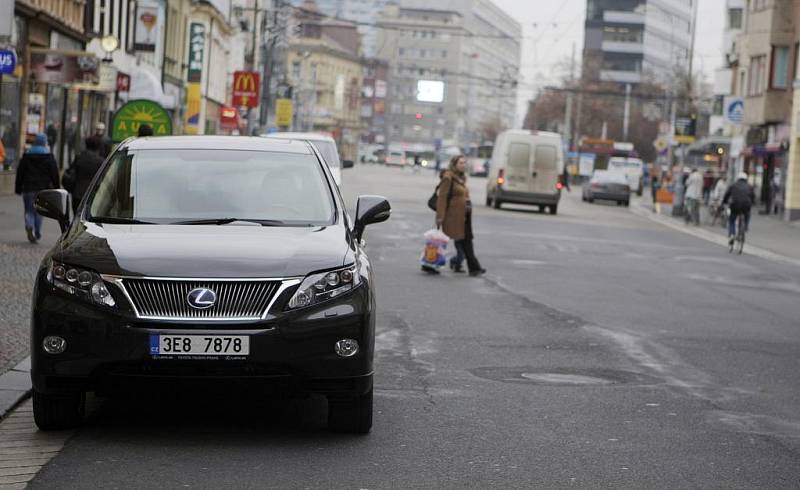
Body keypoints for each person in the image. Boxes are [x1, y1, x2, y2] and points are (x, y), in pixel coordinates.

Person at [436, 155, 486, 276]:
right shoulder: (448, 177)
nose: (463, 165)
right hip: (453, 216)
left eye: (465, 163)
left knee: (466, 240)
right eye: (461, 163)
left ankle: (469, 266)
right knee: (458, 241)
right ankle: (432, 262)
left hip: (464, 216)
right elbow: (442, 197)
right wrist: (440, 216)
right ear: (454, 164)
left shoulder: (461, 178)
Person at [14, 133, 59, 243]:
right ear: (45, 143)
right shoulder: (49, 157)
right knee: (39, 212)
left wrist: (18, 188)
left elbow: (20, 173)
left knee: (29, 210)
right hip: (43, 190)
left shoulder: (26, 156)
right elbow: (54, 174)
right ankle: (37, 232)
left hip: (28, 188)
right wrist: (57, 188)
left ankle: (29, 225)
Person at [63, 136, 104, 213]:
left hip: (77, 194)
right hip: (93, 196)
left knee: (76, 217)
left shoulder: (79, 158)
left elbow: (69, 172)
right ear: (98, 147)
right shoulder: (101, 162)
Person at [723, 172, 755, 245]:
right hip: (746, 205)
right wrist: (752, 203)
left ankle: (732, 234)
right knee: (747, 215)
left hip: (735, 205)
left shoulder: (733, 185)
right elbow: (753, 196)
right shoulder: (749, 186)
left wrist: (724, 202)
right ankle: (745, 227)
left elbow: (727, 195)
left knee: (732, 220)